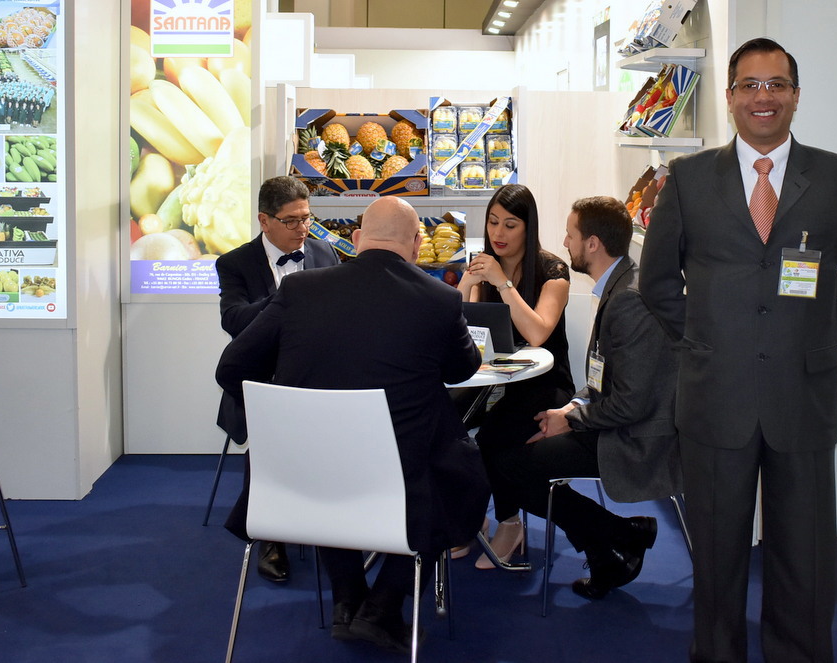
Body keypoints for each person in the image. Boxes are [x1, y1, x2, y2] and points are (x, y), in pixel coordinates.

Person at [640, 37, 837, 663]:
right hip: (714, 395)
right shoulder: (689, 179)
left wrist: (817, 340)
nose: (763, 96)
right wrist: (701, 340)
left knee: (804, 558)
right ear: (729, 97)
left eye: (776, 84)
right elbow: (657, 281)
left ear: (796, 96)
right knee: (716, 556)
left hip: (803, 395)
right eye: (750, 85)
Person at [215, 197, 485, 652]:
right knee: (460, 478)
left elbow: (232, 367)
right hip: (401, 481)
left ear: (357, 239)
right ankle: (383, 607)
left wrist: (278, 409)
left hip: (297, 476)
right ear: (416, 244)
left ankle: (347, 599)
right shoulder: (439, 298)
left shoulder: (299, 289)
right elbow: (463, 370)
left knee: (331, 468)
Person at [491, 195, 681, 599]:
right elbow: (601, 378)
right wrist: (571, 407)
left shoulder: (627, 299)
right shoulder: (620, 285)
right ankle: (613, 543)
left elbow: (630, 404)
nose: (565, 242)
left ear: (592, 244)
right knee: (511, 458)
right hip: (616, 420)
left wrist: (571, 419)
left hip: (636, 436)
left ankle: (620, 535)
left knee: (513, 467)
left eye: (571, 235)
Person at [215, 175, 339, 583]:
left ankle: (333, 520)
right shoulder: (235, 263)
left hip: (319, 373)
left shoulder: (325, 252)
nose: (302, 228)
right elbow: (233, 320)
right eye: (291, 221)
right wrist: (287, 298)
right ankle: (271, 536)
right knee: (274, 431)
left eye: (307, 218)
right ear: (264, 220)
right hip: (262, 376)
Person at [456, 183, 572, 567]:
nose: (498, 233)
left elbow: (538, 332)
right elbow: (463, 331)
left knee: (493, 438)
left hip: (545, 384)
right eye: (492, 222)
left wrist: (503, 284)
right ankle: (469, 516)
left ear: (528, 227)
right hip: (492, 381)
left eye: (510, 225)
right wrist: (467, 284)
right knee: (443, 422)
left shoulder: (553, 270)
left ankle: (509, 523)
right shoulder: (483, 264)